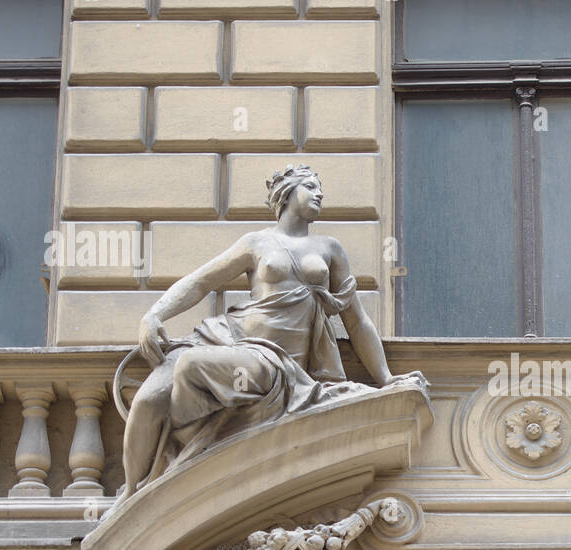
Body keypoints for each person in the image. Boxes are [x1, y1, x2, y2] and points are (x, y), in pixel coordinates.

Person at [118, 165, 418, 498]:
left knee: (190, 366)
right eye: (310, 186)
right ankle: (131, 495)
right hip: (225, 337)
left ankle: (191, 449)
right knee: (146, 400)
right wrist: (154, 314)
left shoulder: (329, 249)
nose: (319, 194)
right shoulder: (256, 243)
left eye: (320, 189)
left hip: (273, 360)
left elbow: (356, 320)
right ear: (287, 193)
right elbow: (201, 281)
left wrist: (386, 378)